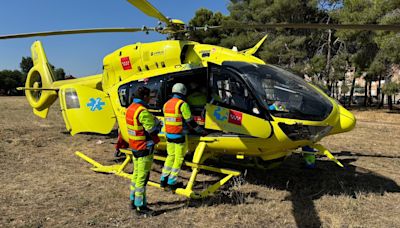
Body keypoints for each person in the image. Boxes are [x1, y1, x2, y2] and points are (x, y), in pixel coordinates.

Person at [160, 83, 207, 189]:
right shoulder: (182, 104)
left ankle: (163, 179)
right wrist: (201, 131)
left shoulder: (166, 104)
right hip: (179, 135)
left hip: (168, 135)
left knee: (170, 156)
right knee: (179, 158)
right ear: (184, 92)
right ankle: (172, 181)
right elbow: (190, 122)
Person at [126, 86, 161, 216]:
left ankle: (132, 200)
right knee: (142, 177)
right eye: (149, 97)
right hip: (144, 147)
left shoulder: (130, 109)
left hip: (135, 146)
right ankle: (141, 206)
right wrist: (158, 124)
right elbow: (152, 131)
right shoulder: (142, 111)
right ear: (145, 97)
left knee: (136, 175)